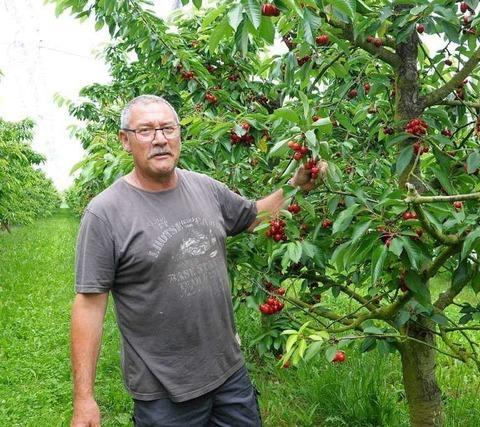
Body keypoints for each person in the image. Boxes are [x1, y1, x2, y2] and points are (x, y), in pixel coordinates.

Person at [70, 94, 324, 426]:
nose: (160, 139)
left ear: (179, 135)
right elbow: (89, 305)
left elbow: (252, 217)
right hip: (165, 391)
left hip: (229, 374)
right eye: (146, 130)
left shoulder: (205, 188)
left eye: (167, 128)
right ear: (125, 141)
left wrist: (296, 186)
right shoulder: (106, 213)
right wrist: (84, 399)